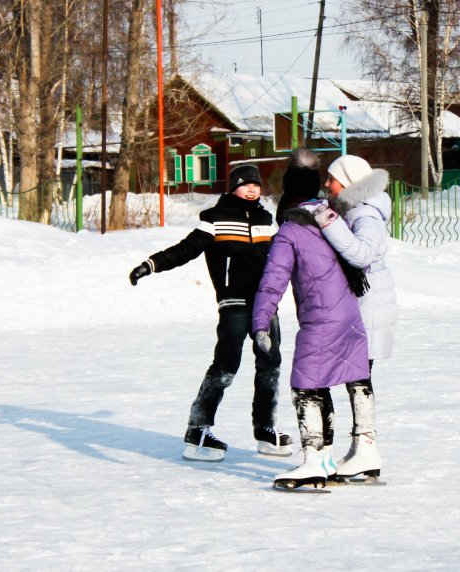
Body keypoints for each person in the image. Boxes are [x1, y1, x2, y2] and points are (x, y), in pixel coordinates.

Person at [128, 164, 293, 462]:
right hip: (234, 304)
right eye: (245, 184)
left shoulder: (267, 221)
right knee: (225, 367)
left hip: (266, 305)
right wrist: (151, 264)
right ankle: (198, 429)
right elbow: (185, 249)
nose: (252, 188)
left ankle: (265, 428)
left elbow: (284, 257)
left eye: (256, 184)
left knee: (270, 365)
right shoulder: (215, 220)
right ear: (232, 188)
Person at [252, 149, 370, 489]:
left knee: (305, 385)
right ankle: (331, 455)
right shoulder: (333, 219)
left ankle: (314, 460)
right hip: (349, 314)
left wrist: (261, 324)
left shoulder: (290, 231)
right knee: (325, 381)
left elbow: (272, 282)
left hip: (321, 319)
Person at [306, 154, 398, 480]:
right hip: (362, 302)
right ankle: (363, 449)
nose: (328, 185)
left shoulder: (365, 214)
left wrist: (327, 222)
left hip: (367, 304)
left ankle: (366, 447)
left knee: (358, 378)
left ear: (348, 181)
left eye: (332, 179)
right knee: (355, 377)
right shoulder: (357, 209)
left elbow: (362, 254)